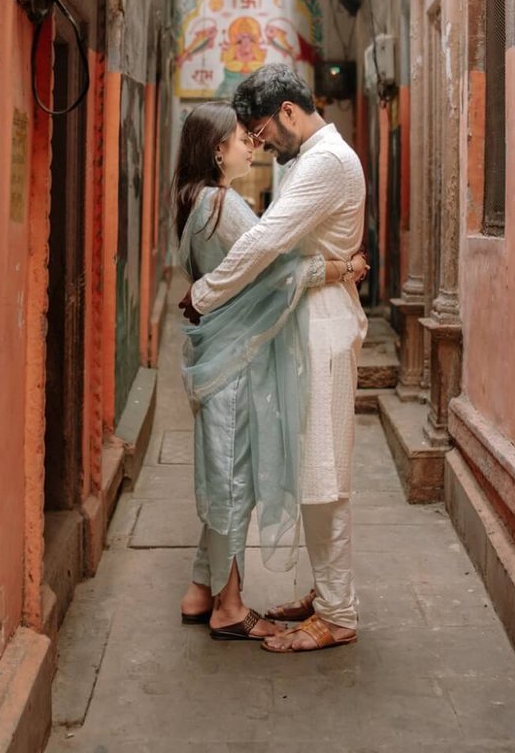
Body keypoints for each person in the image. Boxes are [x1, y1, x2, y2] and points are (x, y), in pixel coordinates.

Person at [181, 66, 369, 654]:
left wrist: (204, 293)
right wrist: (337, 265)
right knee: (307, 465)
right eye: (248, 138)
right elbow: (276, 249)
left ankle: (339, 611)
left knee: (322, 472)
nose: (259, 144)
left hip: (321, 326)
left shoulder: (324, 163)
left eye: (261, 131)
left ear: (289, 112)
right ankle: (325, 593)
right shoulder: (301, 162)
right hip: (298, 322)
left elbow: (266, 245)